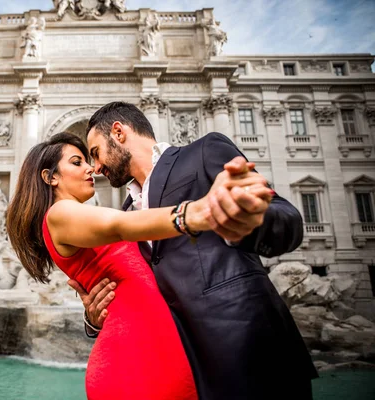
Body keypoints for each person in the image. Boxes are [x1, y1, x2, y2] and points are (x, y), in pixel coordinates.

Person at [71, 102, 318, 400]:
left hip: (251, 354)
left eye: (96, 153)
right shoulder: (126, 216)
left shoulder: (202, 153)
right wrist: (97, 317)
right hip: (184, 375)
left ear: (119, 132)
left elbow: (287, 218)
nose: (96, 168)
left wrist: (253, 219)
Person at [7, 132, 272, 400]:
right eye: (77, 162)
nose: (91, 168)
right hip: (136, 356)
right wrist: (200, 212)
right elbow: (119, 226)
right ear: (50, 177)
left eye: (90, 159)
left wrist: (93, 318)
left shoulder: (71, 217)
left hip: (152, 345)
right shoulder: (60, 213)